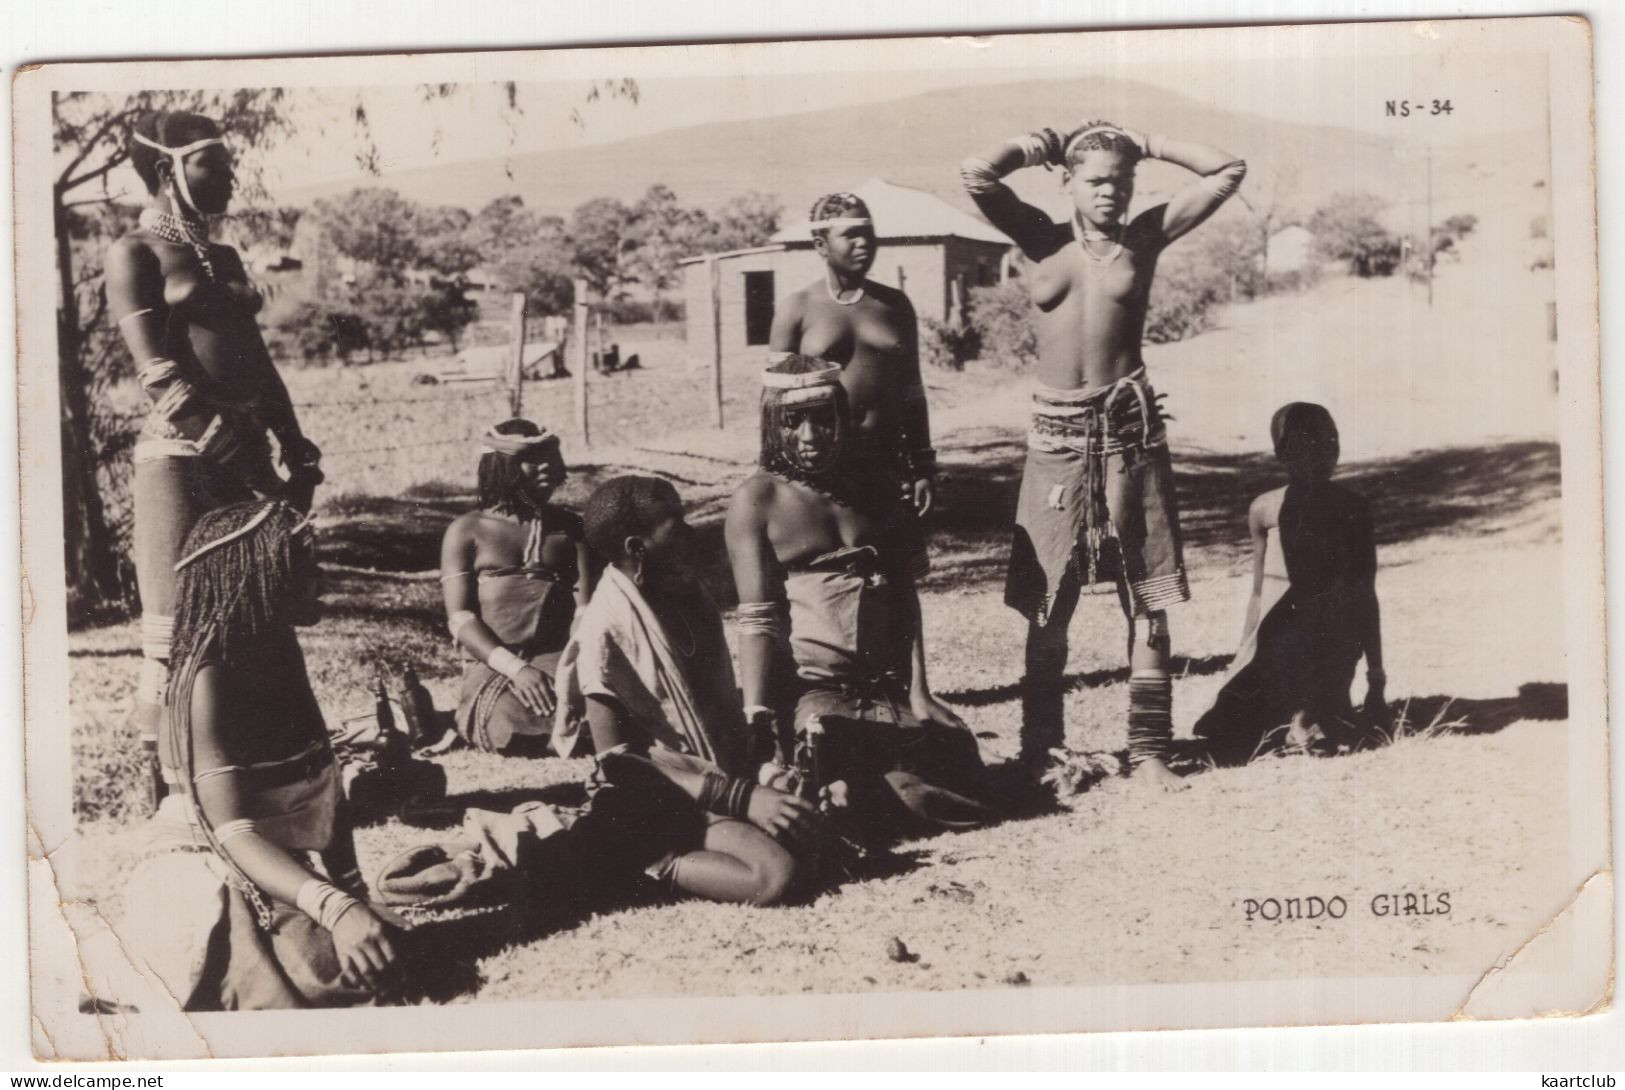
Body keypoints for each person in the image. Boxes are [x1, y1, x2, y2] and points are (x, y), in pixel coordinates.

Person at [960, 119, 1246, 789]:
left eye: (1120, 182)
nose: (1109, 193)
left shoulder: (1143, 238)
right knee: (1046, 602)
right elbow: (977, 172)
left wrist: (1145, 140)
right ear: (1066, 183)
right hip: (1054, 440)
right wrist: (1040, 140)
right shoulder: (1039, 238)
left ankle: (1147, 751)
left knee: (1145, 598)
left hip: (1129, 434)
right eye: (1094, 181)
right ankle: (1041, 752)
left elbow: (1225, 169)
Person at [104, 110, 322, 808]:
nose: (230, 173)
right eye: (213, 162)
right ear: (169, 169)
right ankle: (167, 789)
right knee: (172, 629)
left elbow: (257, 366)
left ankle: (247, 776)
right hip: (178, 459)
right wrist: (256, 471)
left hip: (247, 457)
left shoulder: (222, 259)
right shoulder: (133, 252)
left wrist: (294, 446)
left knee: (253, 618)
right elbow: (159, 377)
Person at [121, 500, 402, 1010]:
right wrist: (336, 910)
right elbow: (231, 833)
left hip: (270, 862)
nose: (321, 578)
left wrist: (354, 894)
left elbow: (326, 778)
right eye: (304, 566)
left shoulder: (279, 646)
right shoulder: (209, 675)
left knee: (384, 951)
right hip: (203, 868)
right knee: (321, 977)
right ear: (259, 574)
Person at [726, 355, 991, 842]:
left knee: (963, 770)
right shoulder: (757, 500)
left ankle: (863, 794)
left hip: (886, 688)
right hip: (813, 693)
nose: (810, 435)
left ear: (841, 416)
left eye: (823, 418)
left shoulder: (877, 485)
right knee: (883, 782)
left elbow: (904, 594)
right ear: (771, 422)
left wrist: (919, 692)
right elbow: (758, 620)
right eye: (794, 420)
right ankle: (851, 793)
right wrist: (759, 718)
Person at [551, 476, 813, 905]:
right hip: (656, 798)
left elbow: (718, 718)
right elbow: (618, 766)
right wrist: (738, 797)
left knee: (818, 836)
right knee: (774, 876)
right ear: (637, 548)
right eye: (677, 525)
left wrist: (765, 772)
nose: (692, 533)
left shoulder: (687, 596)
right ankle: (644, 863)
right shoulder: (606, 629)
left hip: (713, 778)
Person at [1194, 403, 1389, 764]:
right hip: (1280, 640)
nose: (1323, 453)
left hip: (1335, 641)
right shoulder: (1265, 509)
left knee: (1325, 729)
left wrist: (1376, 678)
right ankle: (1293, 716)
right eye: (1305, 446)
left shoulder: (1354, 508)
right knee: (1227, 735)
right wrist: (1241, 657)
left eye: (1331, 441)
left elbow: (1365, 591)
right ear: (1282, 455)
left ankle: (1310, 716)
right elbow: (1257, 592)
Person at [770, 192, 938, 522]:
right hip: (819, 462)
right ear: (820, 244)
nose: (864, 243)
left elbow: (912, 392)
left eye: (868, 234)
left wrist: (922, 464)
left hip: (886, 459)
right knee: (831, 563)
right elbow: (775, 403)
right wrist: (780, 473)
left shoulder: (894, 306)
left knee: (894, 566)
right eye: (850, 235)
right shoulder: (797, 309)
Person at [440, 421, 592, 754]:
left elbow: (586, 609)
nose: (548, 467)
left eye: (551, 457)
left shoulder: (571, 529)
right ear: (502, 466)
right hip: (495, 665)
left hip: (563, 659)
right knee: (506, 724)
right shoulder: (467, 530)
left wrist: (573, 671)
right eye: (533, 459)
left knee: (595, 709)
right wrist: (518, 670)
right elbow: (460, 618)